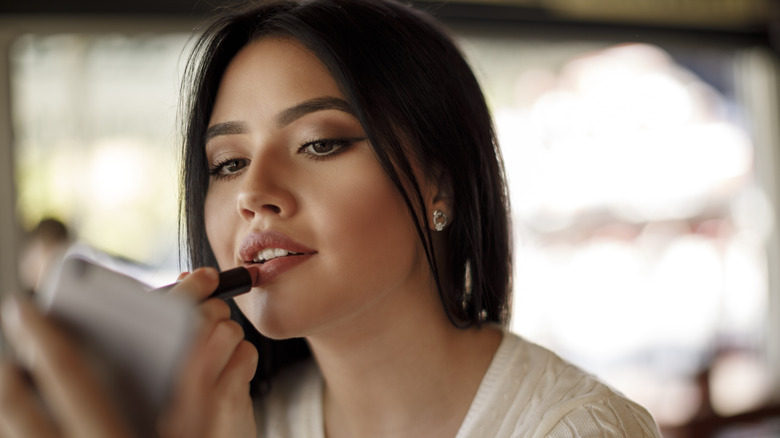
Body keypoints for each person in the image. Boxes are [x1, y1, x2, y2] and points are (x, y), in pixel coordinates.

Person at [0, 0, 662, 437]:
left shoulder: (579, 429)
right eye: (228, 162)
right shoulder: (240, 421)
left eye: (319, 144)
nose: (253, 193)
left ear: (442, 183)